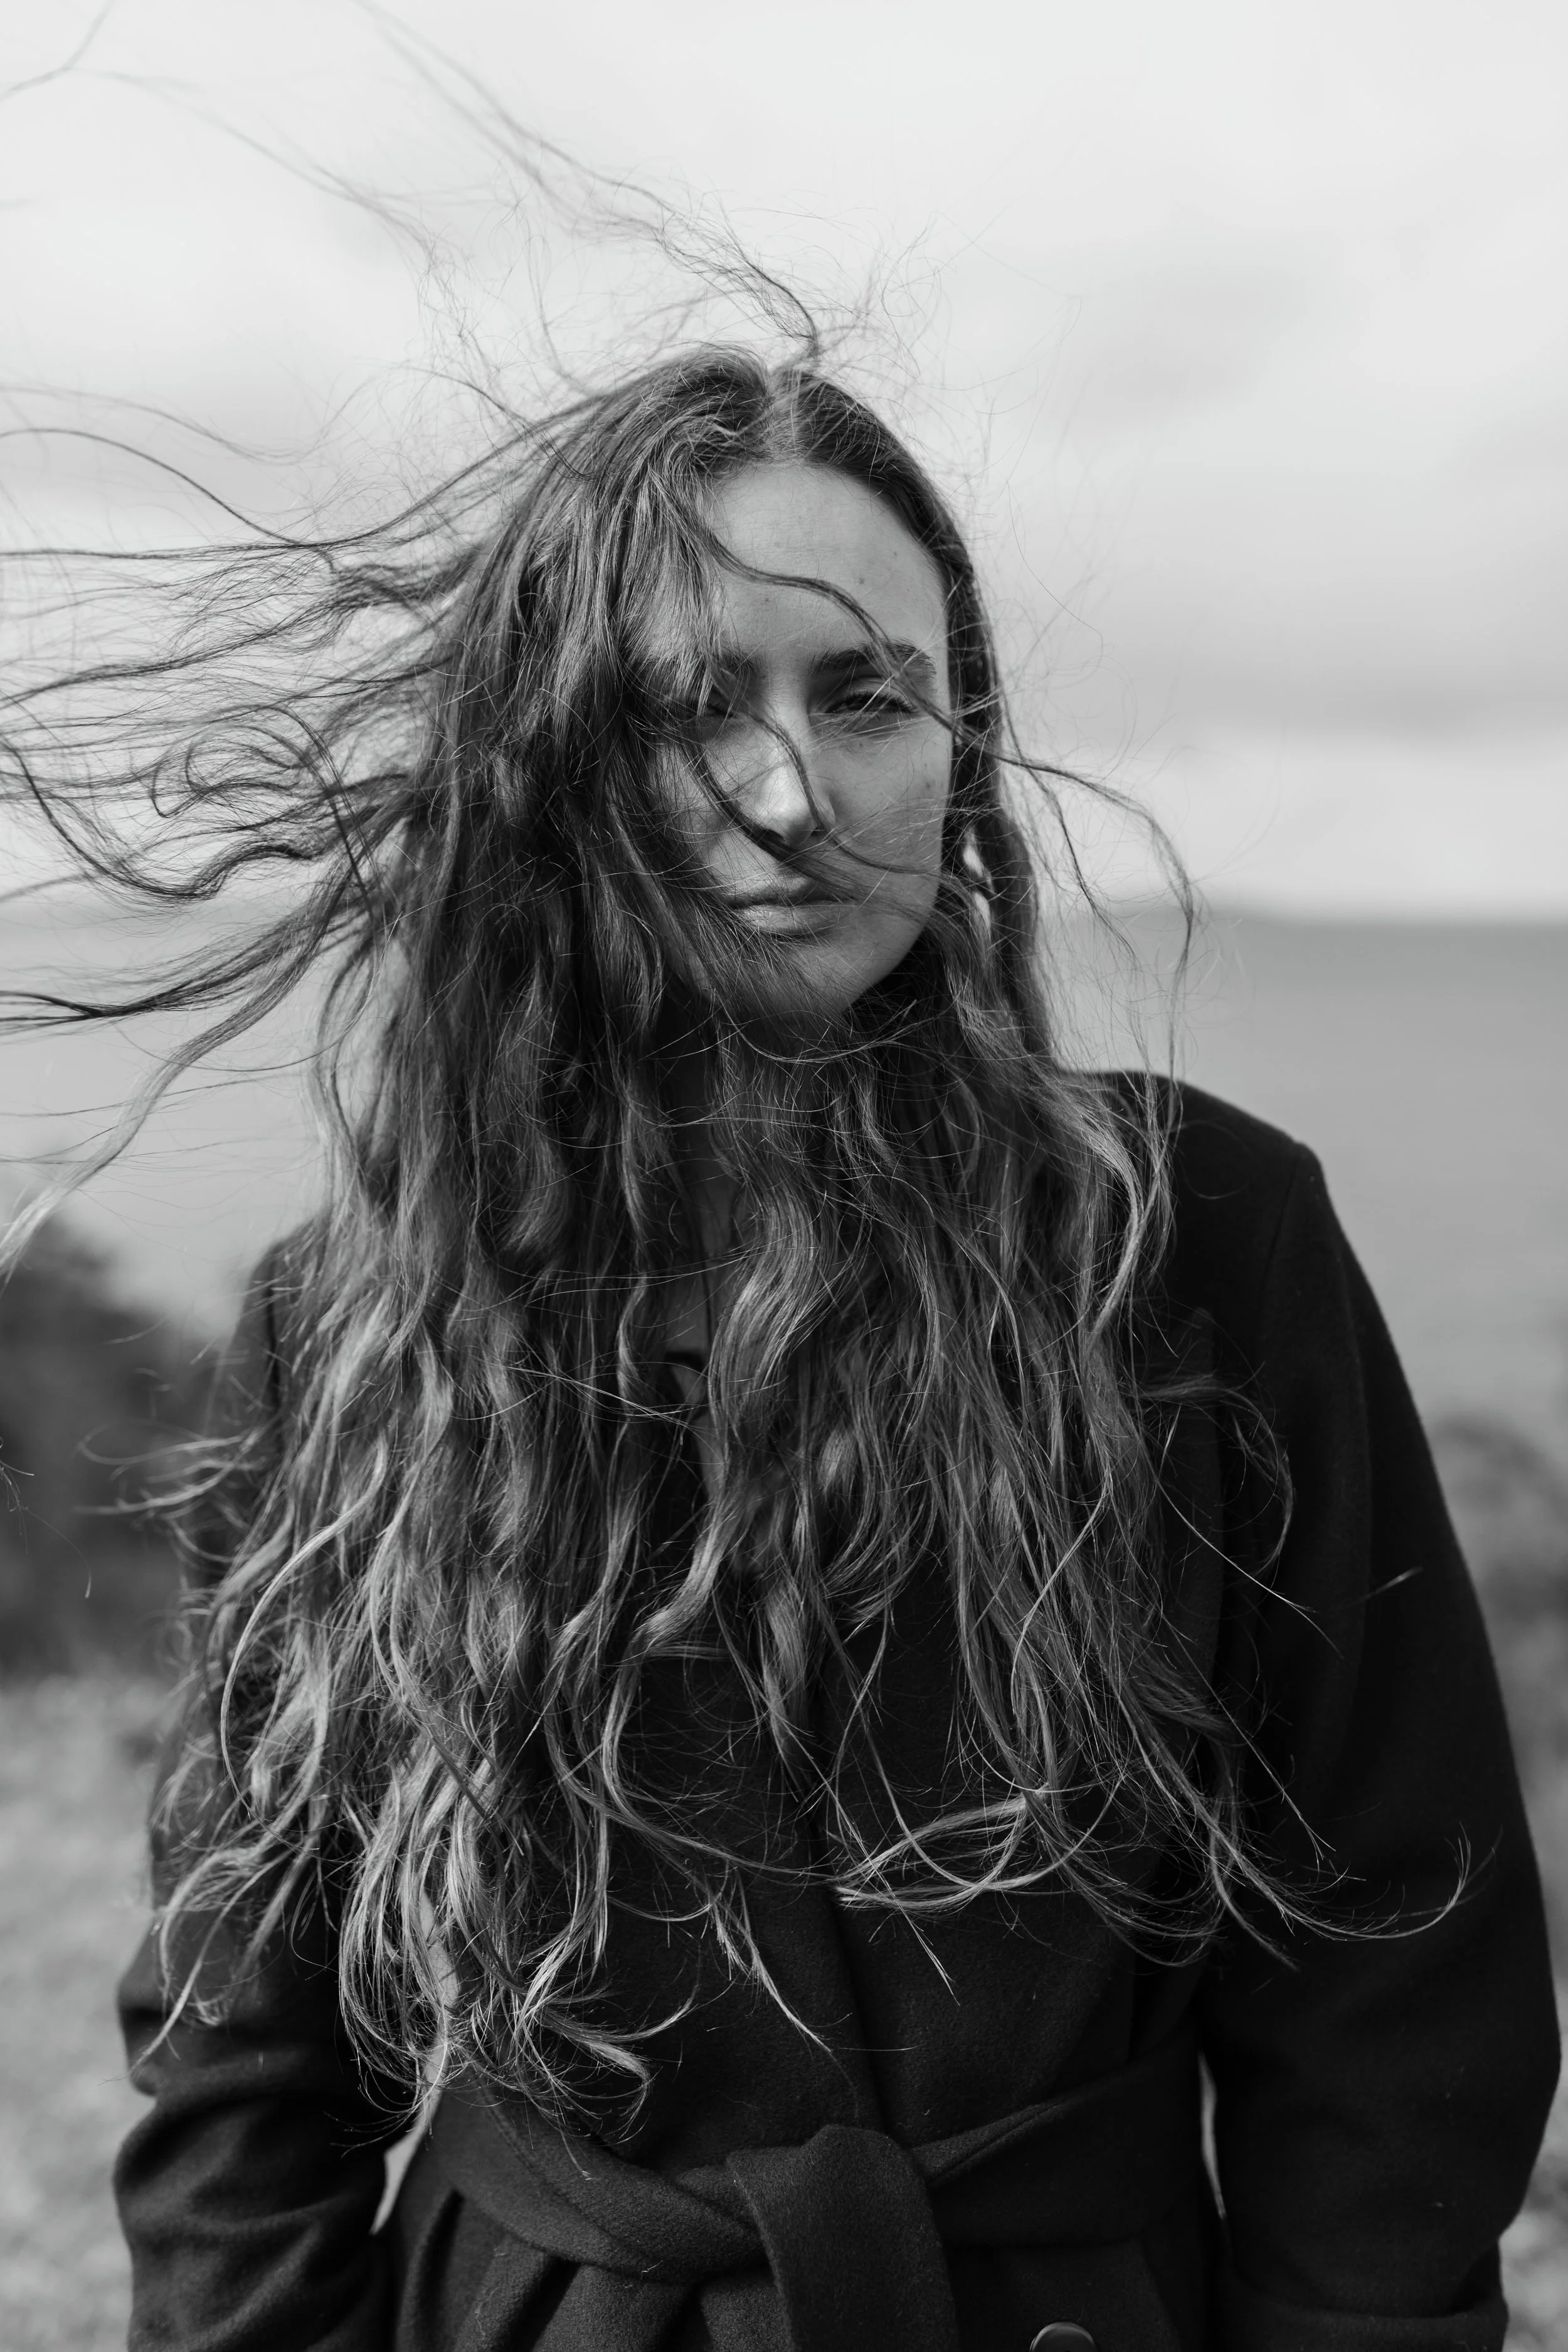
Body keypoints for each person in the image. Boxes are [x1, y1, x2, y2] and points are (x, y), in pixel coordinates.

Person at [58, 348, 1554, 2351]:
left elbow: (1395, 1964)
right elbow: (246, 2047)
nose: (790, 794)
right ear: (558, 765)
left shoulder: (1190, 1240)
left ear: (959, 744)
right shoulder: (360, 1325)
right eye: (691, 706)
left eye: (864, 696)